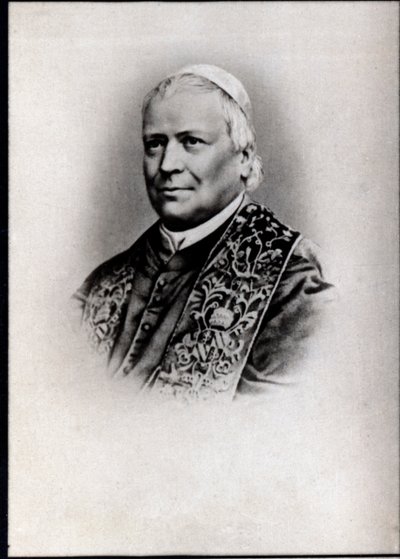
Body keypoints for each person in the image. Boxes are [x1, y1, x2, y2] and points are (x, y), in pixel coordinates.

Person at [72, 64, 334, 403]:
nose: (167, 165)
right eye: (155, 144)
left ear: (244, 157)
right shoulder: (99, 286)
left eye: (191, 142)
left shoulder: (293, 285)